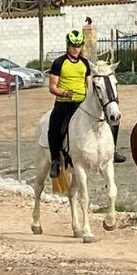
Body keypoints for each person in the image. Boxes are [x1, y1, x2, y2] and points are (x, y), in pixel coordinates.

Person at [46, 30, 92, 178]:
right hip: (64, 104)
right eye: (73, 46)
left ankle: (111, 150)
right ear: (68, 46)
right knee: (55, 130)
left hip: (81, 104)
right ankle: (55, 161)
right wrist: (64, 93)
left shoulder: (85, 63)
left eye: (79, 46)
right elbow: (52, 87)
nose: (76, 49)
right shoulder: (59, 62)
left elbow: (89, 85)